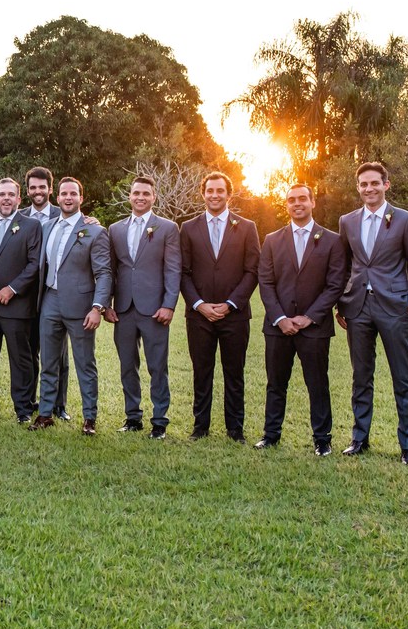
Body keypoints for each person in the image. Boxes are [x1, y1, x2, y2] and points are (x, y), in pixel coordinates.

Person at [336, 161, 408, 465]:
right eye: (363, 184)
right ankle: (360, 438)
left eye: (374, 183)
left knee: (403, 378)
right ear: (358, 188)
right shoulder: (347, 221)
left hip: (394, 309)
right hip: (358, 308)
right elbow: (344, 267)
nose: (369, 189)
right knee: (361, 377)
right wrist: (342, 303)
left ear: (386, 185)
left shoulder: (404, 219)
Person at [256, 183, 346, 455]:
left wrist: (309, 317)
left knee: (317, 384)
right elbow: (266, 282)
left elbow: (335, 284)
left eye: (302, 199)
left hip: (314, 328)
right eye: (292, 200)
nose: (297, 204)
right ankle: (271, 435)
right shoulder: (272, 239)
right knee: (275, 383)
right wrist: (280, 318)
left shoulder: (332, 240)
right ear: (286, 205)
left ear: (312, 202)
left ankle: (322, 439)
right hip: (278, 327)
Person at [179, 171, 260, 443]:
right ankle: (200, 427)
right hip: (199, 316)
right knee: (202, 372)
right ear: (203, 193)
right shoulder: (188, 228)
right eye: (210, 190)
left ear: (229, 194)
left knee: (234, 373)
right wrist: (200, 305)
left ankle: (235, 429)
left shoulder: (247, 227)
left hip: (234, 316)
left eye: (220, 191)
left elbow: (252, 272)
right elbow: (183, 272)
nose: (214, 195)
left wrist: (230, 304)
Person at [31, 177, 111, 435]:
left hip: (81, 306)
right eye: (64, 193)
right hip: (50, 302)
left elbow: (105, 273)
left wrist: (97, 307)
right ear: (58, 198)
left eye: (73, 194)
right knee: (49, 362)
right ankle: (45, 414)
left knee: (84, 364)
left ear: (81, 198)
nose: (68, 197)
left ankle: (89, 419)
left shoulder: (95, 231)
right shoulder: (47, 227)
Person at [105, 176, 180, 439]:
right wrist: (106, 305)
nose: (140, 197)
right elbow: (110, 270)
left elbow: (172, 269)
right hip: (123, 309)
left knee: (157, 367)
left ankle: (159, 421)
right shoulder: (115, 229)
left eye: (146, 194)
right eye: (136, 193)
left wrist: (169, 305)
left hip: (154, 310)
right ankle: (132, 417)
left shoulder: (167, 228)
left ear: (154, 197)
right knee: (127, 365)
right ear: (129, 196)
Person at [0, 178, 42, 424]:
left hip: (15, 304)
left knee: (20, 357)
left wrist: (13, 289)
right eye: (1, 194)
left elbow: (35, 263)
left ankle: (23, 409)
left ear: (18, 200)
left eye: (10, 195)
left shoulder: (30, 225)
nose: (6, 198)